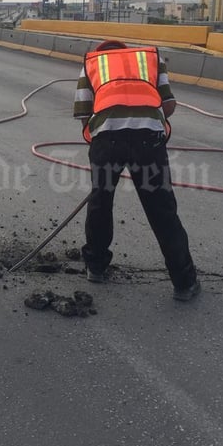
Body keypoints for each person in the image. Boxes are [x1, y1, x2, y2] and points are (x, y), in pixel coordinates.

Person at [73, 40, 201, 301]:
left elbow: (84, 115)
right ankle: (184, 282)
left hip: (107, 140)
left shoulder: (91, 64)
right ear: (127, 52)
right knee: (162, 209)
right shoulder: (152, 59)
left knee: (100, 201)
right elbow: (169, 106)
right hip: (148, 141)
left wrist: (101, 141)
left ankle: (96, 267)